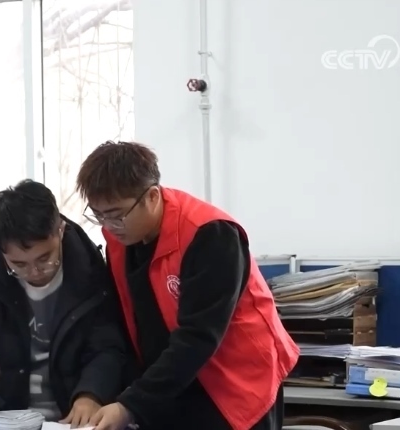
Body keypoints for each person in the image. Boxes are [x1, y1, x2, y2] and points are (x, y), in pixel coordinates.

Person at [75, 141, 299, 430]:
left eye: (117, 215)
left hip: (235, 383)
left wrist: (130, 405)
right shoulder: (121, 240)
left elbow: (198, 337)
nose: (109, 225)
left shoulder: (210, 235)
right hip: (173, 384)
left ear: (152, 197)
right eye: (99, 215)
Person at [0, 179, 128, 426]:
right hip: (0, 416)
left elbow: (108, 346)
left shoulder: (90, 271)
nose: (35, 272)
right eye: (19, 265)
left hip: (70, 417)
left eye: (45, 258)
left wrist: (91, 394)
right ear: (1, 250)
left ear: (60, 230)